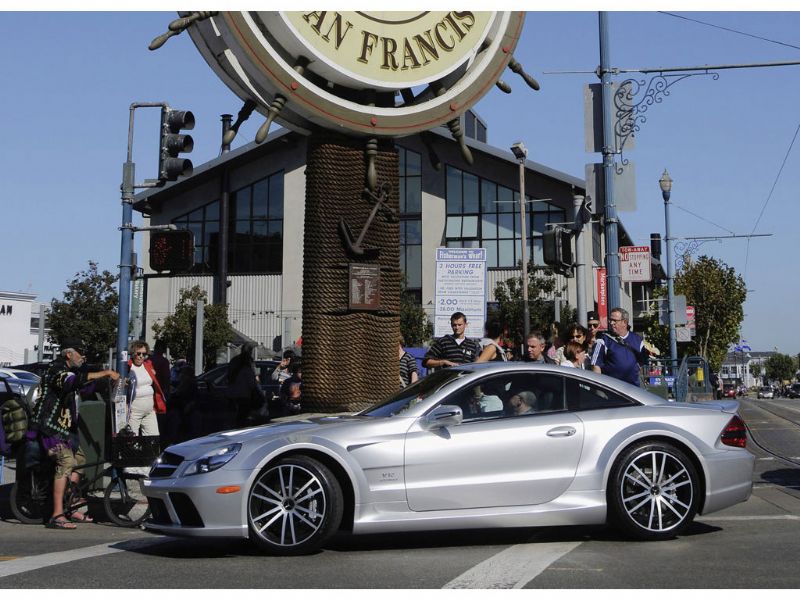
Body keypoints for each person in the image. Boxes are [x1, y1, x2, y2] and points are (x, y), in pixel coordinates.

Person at [30, 338, 119, 529]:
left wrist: (106, 381)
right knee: (66, 461)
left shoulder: (74, 372)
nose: (83, 356)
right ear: (69, 354)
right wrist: (103, 372)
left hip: (66, 430)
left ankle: (69, 506)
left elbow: (85, 386)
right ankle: (57, 515)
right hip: (50, 427)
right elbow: (71, 382)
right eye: (79, 352)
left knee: (81, 462)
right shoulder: (56, 369)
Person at [591, 307, 649, 386]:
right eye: (610, 320)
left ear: (624, 322)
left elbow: (643, 363)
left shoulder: (637, 340)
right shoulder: (603, 340)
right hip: (612, 390)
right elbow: (595, 366)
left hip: (633, 389)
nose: (611, 323)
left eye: (614, 320)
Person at [126, 340, 167, 437]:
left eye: (144, 354)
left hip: (149, 410)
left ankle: (149, 453)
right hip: (134, 411)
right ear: (132, 353)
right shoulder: (127, 367)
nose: (141, 356)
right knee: (132, 440)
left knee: (153, 438)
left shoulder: (147, 365)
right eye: (138, 353)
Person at [225, 342, 266, 427]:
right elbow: (253, 380)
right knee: (245, 415)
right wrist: (258, 389)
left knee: (236, 416)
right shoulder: (248, 362)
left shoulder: (234, 360)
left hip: (232, 392)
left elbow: (228, 376)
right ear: (250, 352)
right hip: (245, 394)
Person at [150, 339, 171, 436]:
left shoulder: (149, 360)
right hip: (159, 393)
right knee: (160, 420)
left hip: (149, 392)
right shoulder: (164, 362)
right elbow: (166, 378)